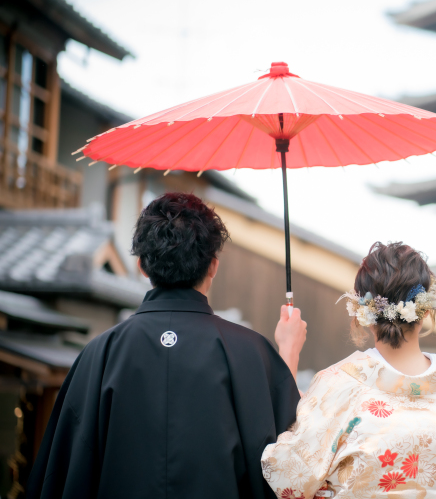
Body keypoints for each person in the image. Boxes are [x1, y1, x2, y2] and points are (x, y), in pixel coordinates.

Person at [28, 192, 308, 499]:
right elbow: (288, 463)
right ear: (213, 266)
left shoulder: (99, 353)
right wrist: (288, 351)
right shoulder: (251, 353)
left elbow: (63, 471)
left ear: (142, 267)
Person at [261, 242, 436, 499]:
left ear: (362, 312)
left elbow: (288, 476)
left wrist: (288, 353)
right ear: (427, 309)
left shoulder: (339, 385)